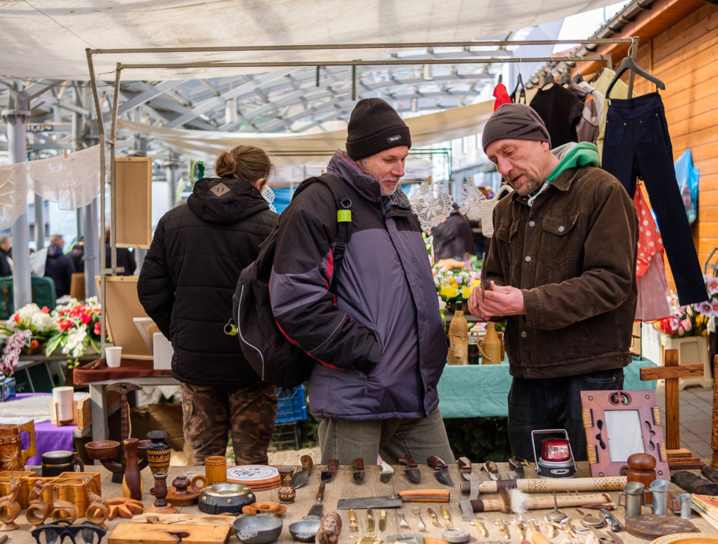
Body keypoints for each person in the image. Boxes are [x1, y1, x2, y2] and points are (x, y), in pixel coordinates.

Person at [270, 98, 453, 466]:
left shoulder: (398, 203)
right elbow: (294, 300)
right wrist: (366, 353)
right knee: (350, 510)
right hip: (357, 396)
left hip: (415, 393)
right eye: (390, 160)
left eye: (404, 158)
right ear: (361, 156)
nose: (400, 170)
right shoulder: (318, 203)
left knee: (447, 492)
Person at [467, 103, 637, 461]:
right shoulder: (505, 209)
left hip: (590, 375)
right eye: (495, 160)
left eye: (509, 152)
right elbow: (495, 277)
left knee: (593, 489)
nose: (504, 169)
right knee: (529, 485)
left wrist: (528, 302)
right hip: (528, 378)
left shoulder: (601, 191)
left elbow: (612, 282)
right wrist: (486, 300)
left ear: (542, 142)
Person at [138, 145, 279, 465]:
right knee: (252, 463)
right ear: (260, 183)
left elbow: (149, 289)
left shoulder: (173, 221)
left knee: (204, 463)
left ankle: (207, 515)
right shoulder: (272, 227)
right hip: (252, 365)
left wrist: (181, 332)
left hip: (196, 365)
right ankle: (257, 515)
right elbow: (286, 296)